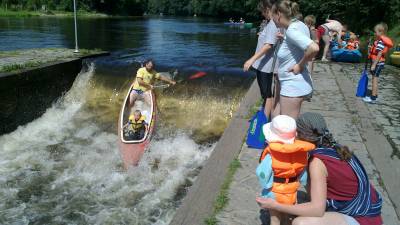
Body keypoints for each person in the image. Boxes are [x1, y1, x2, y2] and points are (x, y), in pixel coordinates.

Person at [256, 112, 383, 225]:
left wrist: (275, 205)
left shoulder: (317, 163)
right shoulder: (334, 147)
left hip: (362, 218)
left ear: (299, 136)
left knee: (300, 222)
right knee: (301, 205)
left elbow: (317, 209)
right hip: (369, 207)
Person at [256, 115, 315, 225]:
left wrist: (267, 187)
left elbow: (262, 173)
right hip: (291, 191)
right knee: (286, 216)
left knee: (275, 219)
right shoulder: (301, 153)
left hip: (274, 192)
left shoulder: (272, 155)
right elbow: (303, 175)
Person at [270, 0, 319, 119]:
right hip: (299, 84)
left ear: (279, 14)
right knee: (287, 126)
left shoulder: (292, 30)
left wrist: (299, 65)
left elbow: (314, 48)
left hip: (292, 88)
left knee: (287, 130)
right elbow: (298, 47)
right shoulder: (300, 25)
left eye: (273, 16)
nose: (272, 19)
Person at [243, 0, 279, 118]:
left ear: (267, 9)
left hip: (265, 66)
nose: (262, 14)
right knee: (265, 92)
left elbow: (269, 45)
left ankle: (264, 120)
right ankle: (265, 113)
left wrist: (251, 59)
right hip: (262, 65)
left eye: (263, 12)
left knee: (267, 94)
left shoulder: (273, 24)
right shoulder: (271, 23)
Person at [363, 23, 393, 104]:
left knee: (374, 80)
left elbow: (379, 54)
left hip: (378, 63)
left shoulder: (381, 42)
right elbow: (374, 52)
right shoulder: (378, 41)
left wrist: (373, 65)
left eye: (375, 32)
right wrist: (370, 48)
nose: (375, 33)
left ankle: (373, 98)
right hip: (377, 63)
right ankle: (375, 95)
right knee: (374, 79)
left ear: (381, 32)